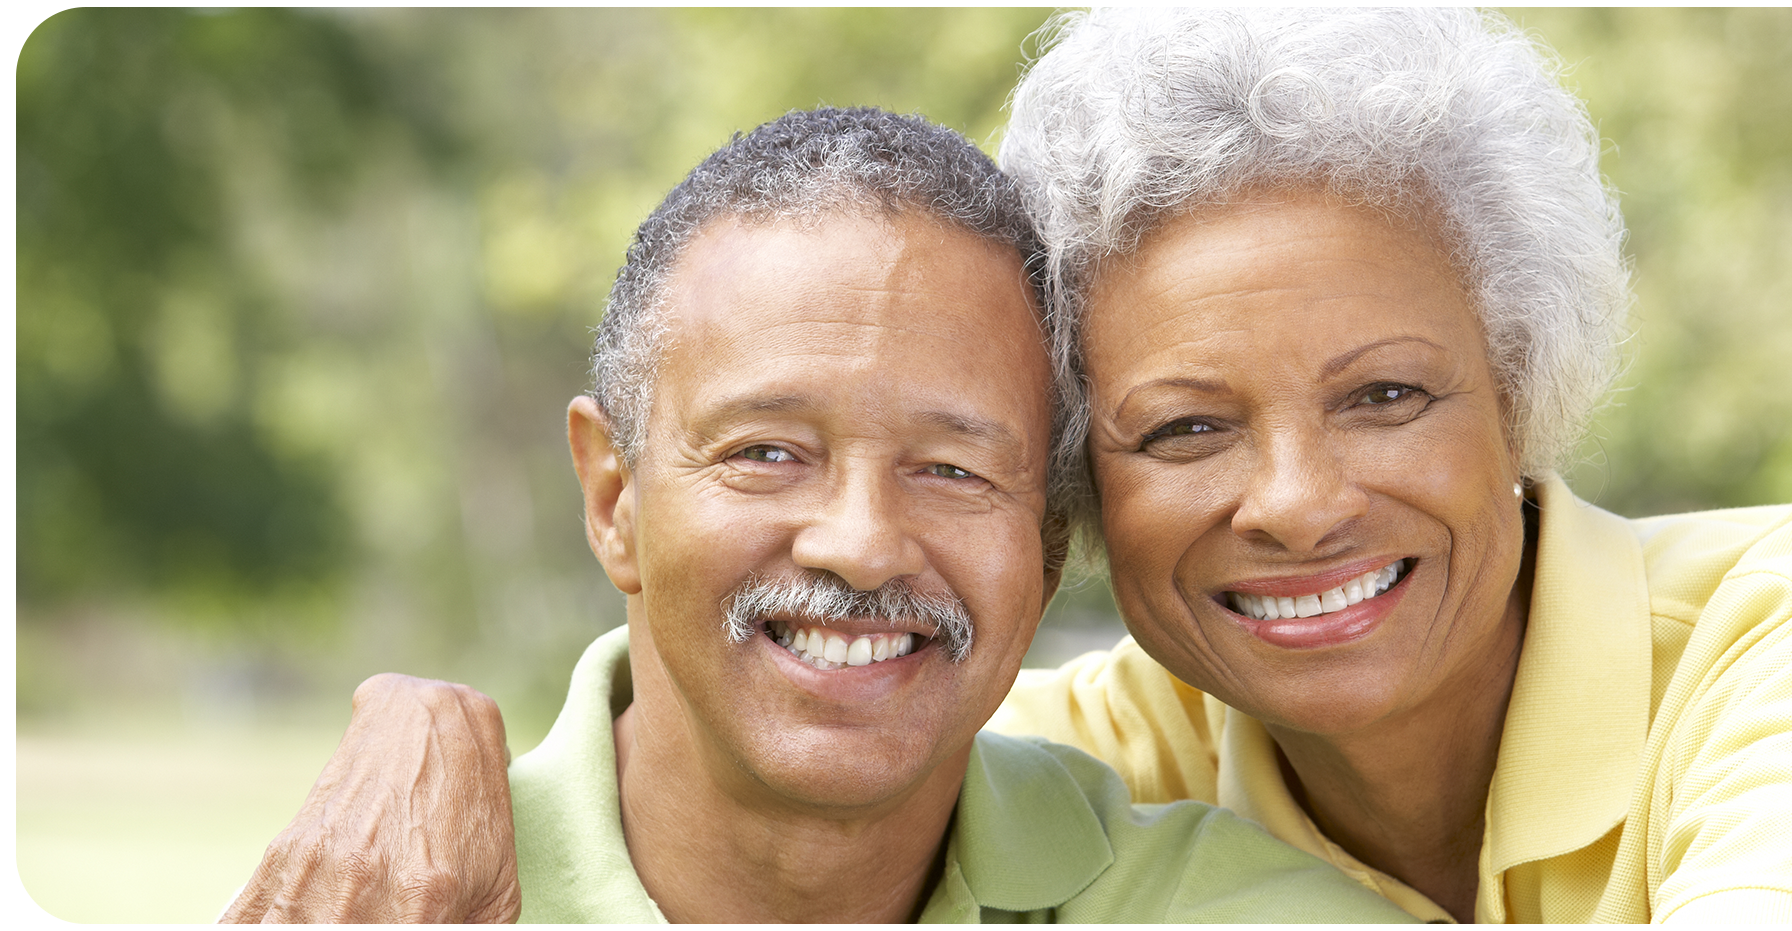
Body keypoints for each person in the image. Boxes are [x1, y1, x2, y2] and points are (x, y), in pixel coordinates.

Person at [229, 9, 1792, 924]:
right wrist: (431, 720)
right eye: (1183, 427)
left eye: (1385, 397)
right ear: (1079, 499)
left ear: (1526, 393)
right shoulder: (1080, 773)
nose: (1290, 497)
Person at [222, 105, 1416, 924]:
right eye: (767, 452)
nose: (857, 542)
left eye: (952, 469)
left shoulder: (1237, 912)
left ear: (1048, 542)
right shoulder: (375, 897)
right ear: (614, 497)